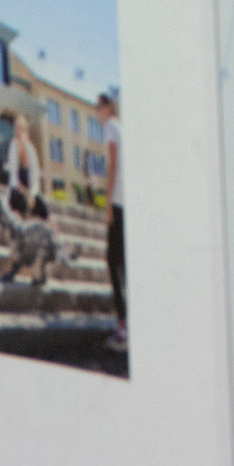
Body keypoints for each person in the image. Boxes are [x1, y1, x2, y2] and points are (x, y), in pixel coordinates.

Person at [97, 91, 126, 350]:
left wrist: (107, 203)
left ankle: (123, 328)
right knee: (123, 265)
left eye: (99, 107)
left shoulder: (109, 128)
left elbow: (113, 164)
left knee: (112, 261)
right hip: (128, 205)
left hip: (118, 204)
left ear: (108, 108)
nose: (97, 112)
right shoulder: (122, 127)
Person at [5, 112, 45, 205]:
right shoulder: (13, 146)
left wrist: (31, 193)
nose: (20, 131)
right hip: (17, 188)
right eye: (18, 127)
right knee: (17, 197)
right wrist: (21, 189)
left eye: (22, 128)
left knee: (40, 202)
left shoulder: (31, 149)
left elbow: (35, 176)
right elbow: (13, 175)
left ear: (26, 130)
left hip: (30, 190)